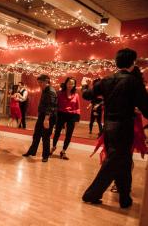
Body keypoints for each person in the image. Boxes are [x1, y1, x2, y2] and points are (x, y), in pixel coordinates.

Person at [81, 48, 148, 208]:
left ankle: (125, 198)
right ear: (132, 63)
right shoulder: (134, 82)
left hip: (108, 127)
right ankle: (91, 195)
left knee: (123, 163)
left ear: (117, 62)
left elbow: (87, 95)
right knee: (113, 162)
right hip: (123, 128)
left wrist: (84, 86)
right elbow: (146, 107)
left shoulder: (106, 80)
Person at [22, 74, 57, 162]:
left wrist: (46, 119)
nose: (39, 84)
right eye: (39, 82)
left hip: (48, 117)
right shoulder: (45, 90)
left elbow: (51, 106)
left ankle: (45, 156)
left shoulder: (50, 91)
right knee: (36, 134)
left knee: (45, 137)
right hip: (42, 116)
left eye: (41, 82)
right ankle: (32, 151)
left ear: (46, 81)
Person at [51, 77, 81, 160]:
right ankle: (53, 147)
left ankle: (63, 151)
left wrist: (77, 118)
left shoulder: (76, 95)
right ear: (66, 83)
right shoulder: (60, 93)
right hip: (61, 114)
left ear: (74, 85)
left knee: (69, 134)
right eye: (69, 83)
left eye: (72, 83)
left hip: (72, 116)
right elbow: (55, 105)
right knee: (57, 132)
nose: (70, 85)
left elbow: (78, 107)